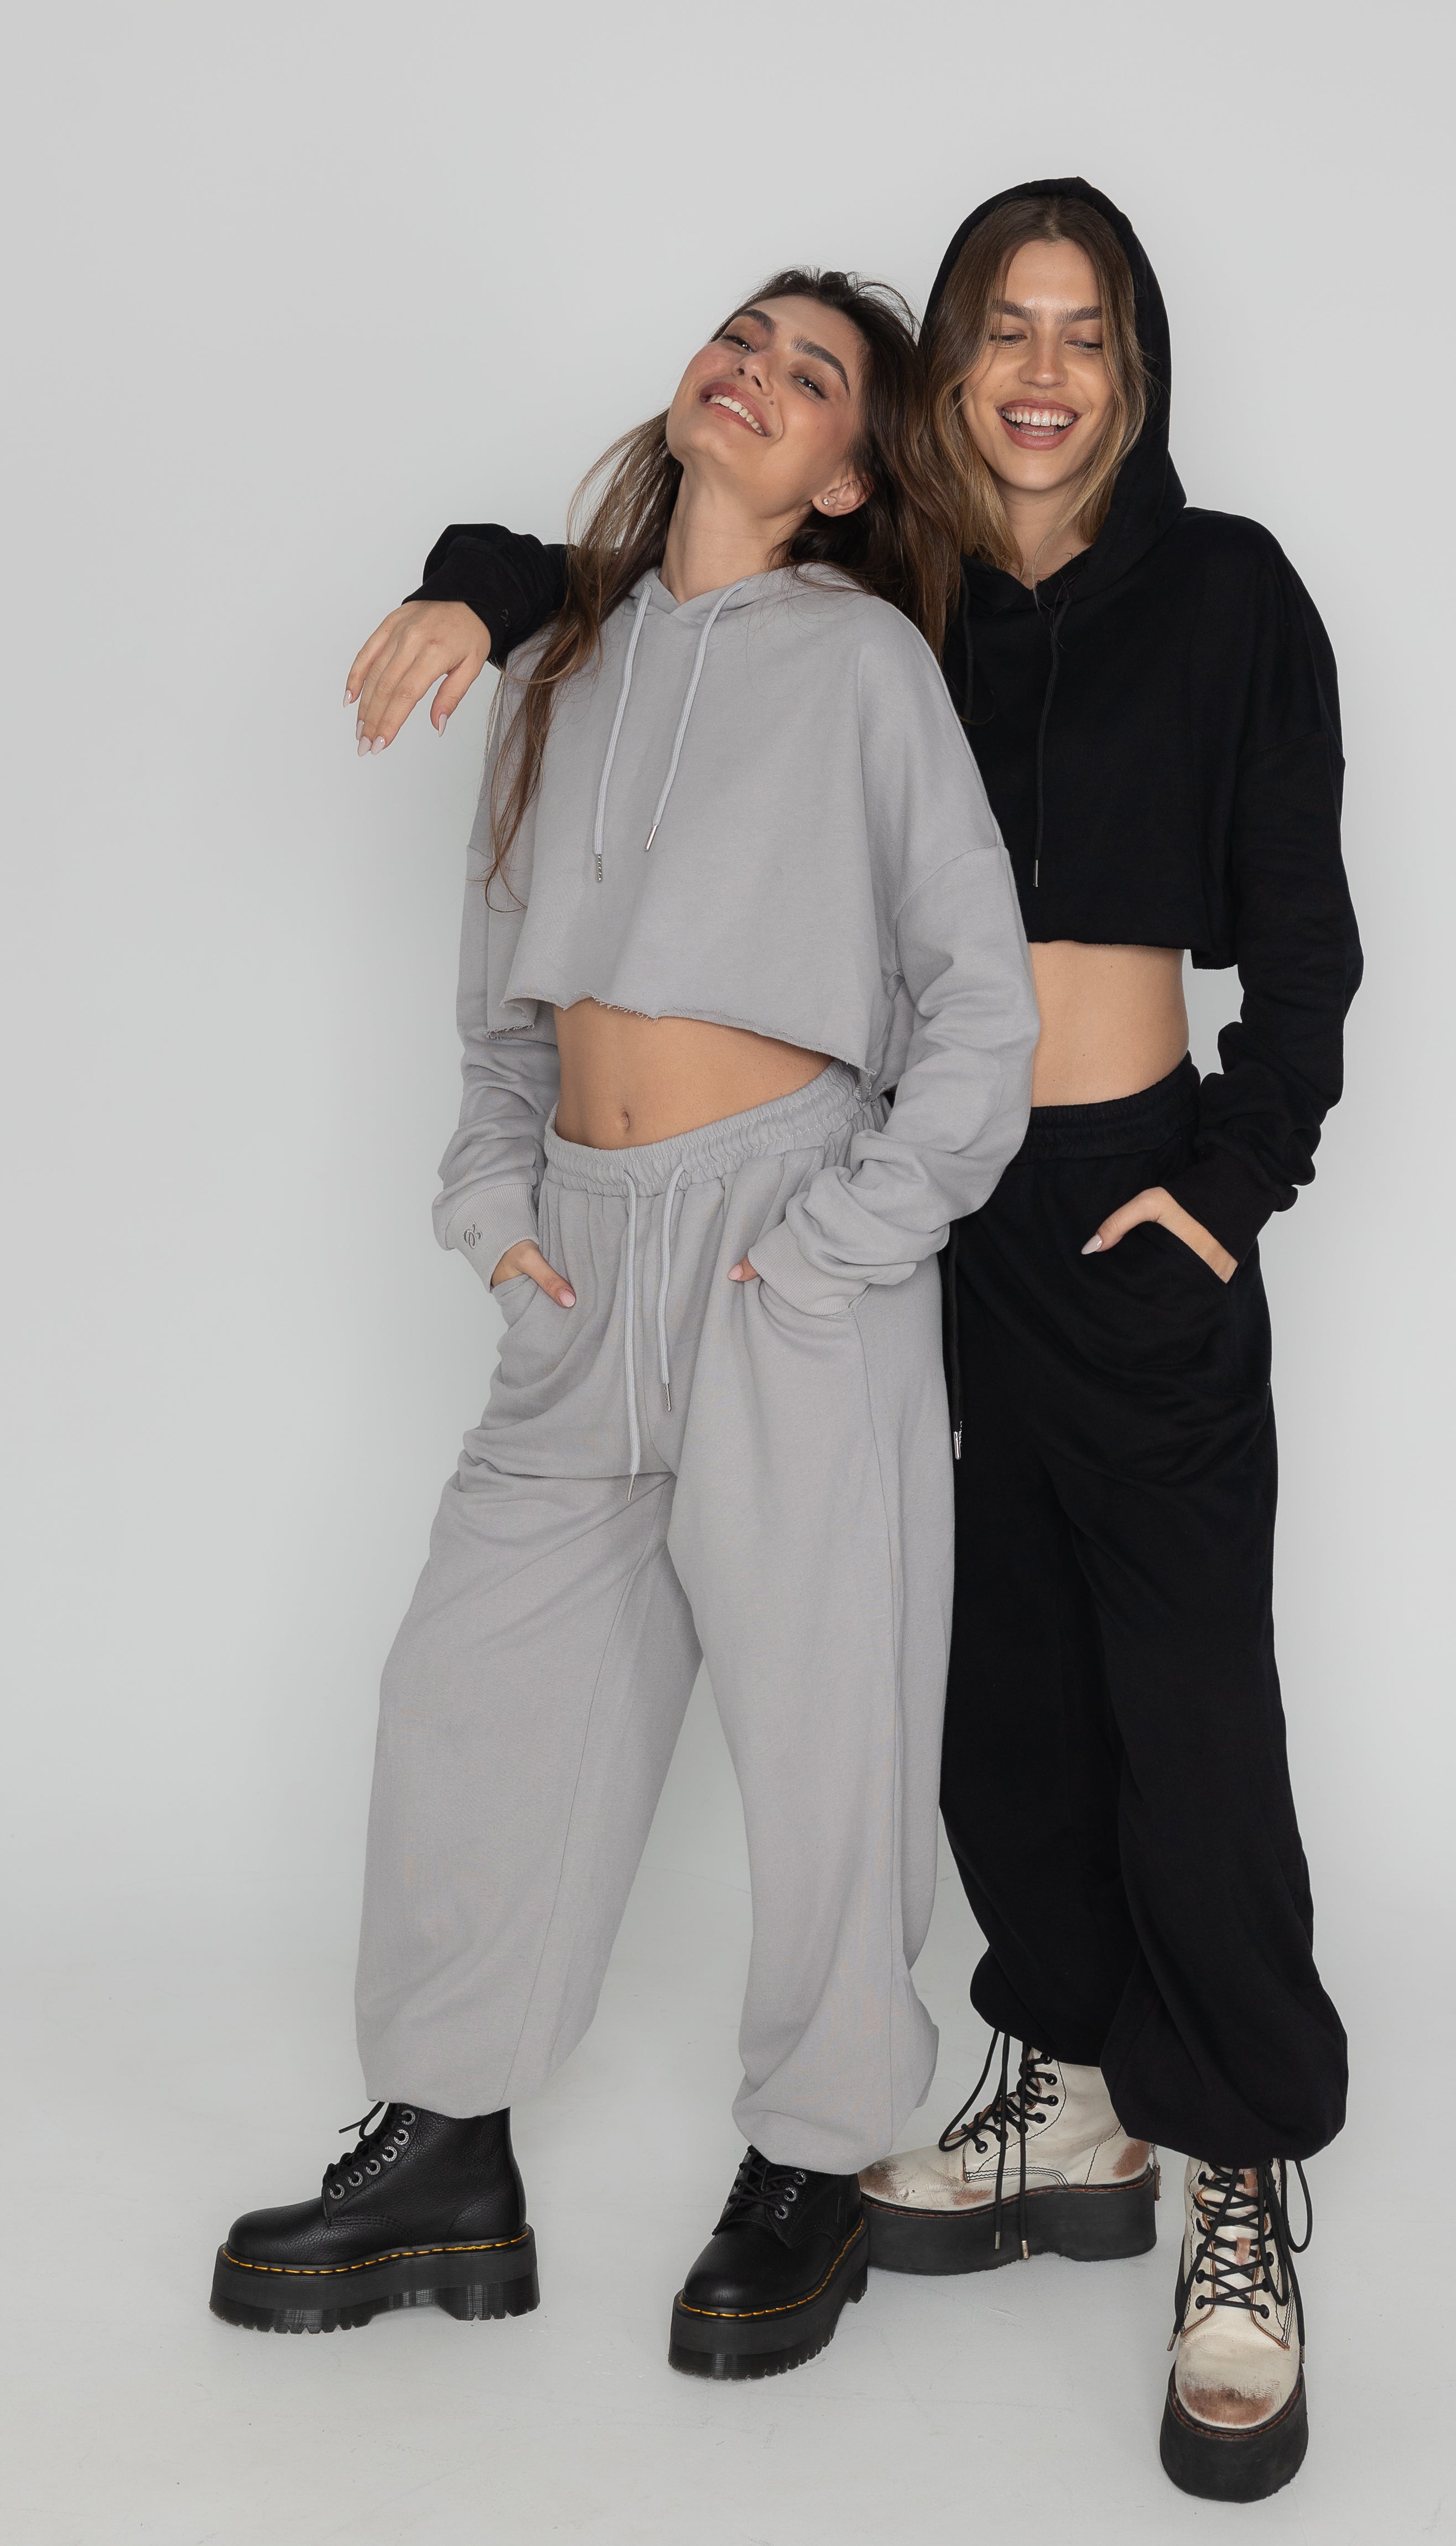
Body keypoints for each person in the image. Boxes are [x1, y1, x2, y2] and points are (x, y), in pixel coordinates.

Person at [353, 177, 1360, 2504]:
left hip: (1124, 1193)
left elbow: (1301, 922)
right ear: (934, 399)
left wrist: (1234, 1177)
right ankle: (1067, 2088)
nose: (1040, 369)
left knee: (1187, 1693)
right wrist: (474, 582)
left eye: (1084, 333)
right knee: (978, 1686)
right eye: (1002, 327)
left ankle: (1237, 2179)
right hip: (913, 1205)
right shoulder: (899, 595)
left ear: (1136, 370)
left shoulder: (1226, 589)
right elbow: (619, 582)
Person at [209, 269, 1038, 2386]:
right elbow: (501, 1009)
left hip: (788, 1243)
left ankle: (820, 2153)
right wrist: (499, 1216)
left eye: (810, 374)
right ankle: (445, 2147)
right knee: (473, 1693)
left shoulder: (865, 667)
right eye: (740, 339)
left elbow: (982, 1004)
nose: (753, 373)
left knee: (830, 1726)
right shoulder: (559, 663)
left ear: (847, 474)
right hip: (583, 1259)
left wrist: (843, 1241)